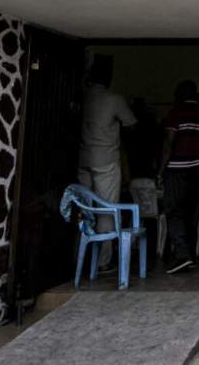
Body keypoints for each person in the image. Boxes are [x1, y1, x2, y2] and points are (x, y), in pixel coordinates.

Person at [77, 56, 136, 272]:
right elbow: (131, 124)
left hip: (83, 159)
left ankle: (79, 258)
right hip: (106, 161)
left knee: (82, 208)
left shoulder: (82, 96)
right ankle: (102, 262)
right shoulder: (114, 99)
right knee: (107, 210)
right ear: (109, 78)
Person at [158, 79, 199, 274]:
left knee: (173, 209)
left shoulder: (176, 113)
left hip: (177, 169)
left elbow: (168, 144)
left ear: (182, 94)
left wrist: (160, 170)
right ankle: (191, 256)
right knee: (192, 213)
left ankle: (182, 255)